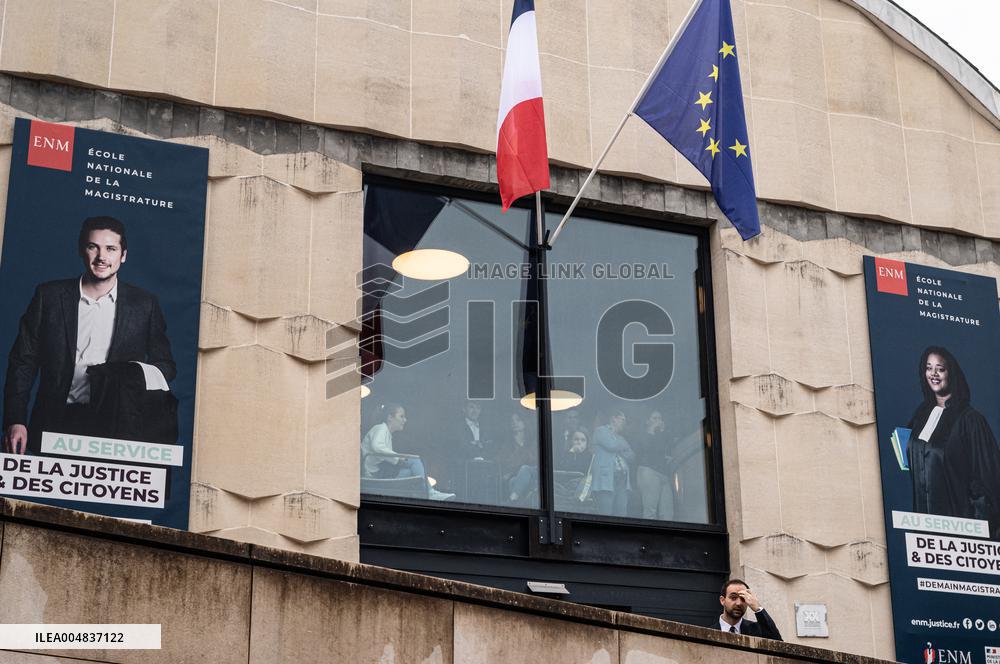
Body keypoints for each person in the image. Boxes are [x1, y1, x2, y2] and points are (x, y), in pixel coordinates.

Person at [3, 216, 177, 454]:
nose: (101, 257)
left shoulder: (144, 305)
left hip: (117, 429)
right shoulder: (49, 297)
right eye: (93, 247)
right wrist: (15, 420)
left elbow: (165, 366)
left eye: (111, 249)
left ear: (123, 255)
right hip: (54, 422)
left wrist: (130, 375)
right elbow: (23, 362)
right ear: (81, 250)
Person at [906, 346, 1000, 538]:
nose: (933, 374)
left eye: (940, 369)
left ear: (951, 373)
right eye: (929, 368)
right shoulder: (920, 417)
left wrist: (980, 533)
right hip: (924, 530)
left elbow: (988, 482)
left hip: (961, 532)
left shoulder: (970, 420)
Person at [361, 403, 454, 501]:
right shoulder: (380, 428)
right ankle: (430, 493)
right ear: (390, 417)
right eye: (401, 416)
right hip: (371, 474)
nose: (405, 420)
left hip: (378, 474)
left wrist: (398, 460)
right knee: (415, 460)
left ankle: (422, 496)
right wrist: (398, 458)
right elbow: (377, 446)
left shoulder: (387, 434)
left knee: (412, 473)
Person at [590, 410, 634, 517]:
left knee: (621, 513)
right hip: (606, 479)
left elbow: (632, 456)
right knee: (606, 513)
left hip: (622, 480)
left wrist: (619, 447)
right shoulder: (600, 431)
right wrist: (623, 447)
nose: (624, 423)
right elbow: (611, 445)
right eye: (622, 419)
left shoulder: (621, 438)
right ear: (613, 418)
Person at [634, 410, 675, 520]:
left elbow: (667, 449)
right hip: (649, 471)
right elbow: (645, 449)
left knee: (667, 513)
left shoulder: (662, 435)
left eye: (659, 418)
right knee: (650, 510)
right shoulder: (642, 434)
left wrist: (662, 431)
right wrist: (652, 429)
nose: (658, 421)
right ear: (647, 421)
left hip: (664, 475)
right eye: (654, 418)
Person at [712, 578, 783, 640]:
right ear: (722, 600)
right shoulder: (709, 631)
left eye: (743, 598)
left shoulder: (756, 630)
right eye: (733, 598)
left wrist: (757, 607)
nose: (739, 603)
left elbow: (777, 643)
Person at [497, 411, 537, 505]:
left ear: (524, 422)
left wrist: (519, 459)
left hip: (534, 473)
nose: (514, 423)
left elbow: (533, 459)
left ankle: (511, 501)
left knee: (525, 468)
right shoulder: (507, 444)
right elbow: (504, 461)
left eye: (518, 420)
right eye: (512, 421)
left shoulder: (532, 441)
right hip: (518, 475)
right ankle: (517, 504)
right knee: (513, 481)